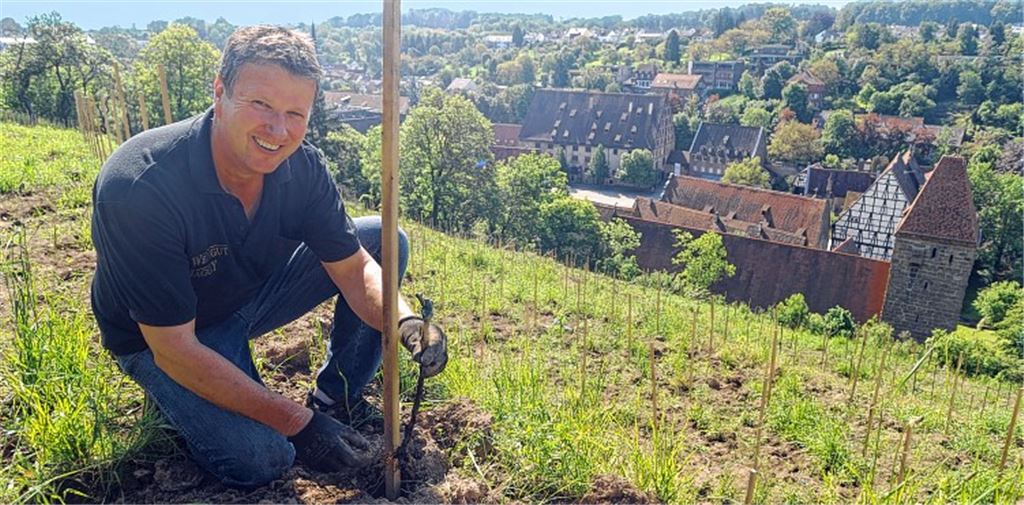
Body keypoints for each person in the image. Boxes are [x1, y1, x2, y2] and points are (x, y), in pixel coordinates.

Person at [90, 25, 447, 489]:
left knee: (382, 239)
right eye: (261, 105)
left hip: (246, 295)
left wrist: (406, 323)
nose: (278, 131)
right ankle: (171, 400)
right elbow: (174, 347)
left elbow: (355, 268)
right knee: (262, 458)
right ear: (220, 92)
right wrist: (297, 424)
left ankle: (333, 398)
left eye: (295, 113)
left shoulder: (302, 168)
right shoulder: (140, 188)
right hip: (162, 337)